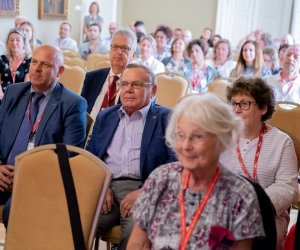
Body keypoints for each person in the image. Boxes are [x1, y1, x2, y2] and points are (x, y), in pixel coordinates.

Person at [127, 92, 265, 249]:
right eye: (180, 135)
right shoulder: (160, 179)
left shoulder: (240, 195)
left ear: (223, 139)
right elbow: (138, 244)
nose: (186, 146)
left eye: (198, 136)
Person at [87, 63, 176, 250]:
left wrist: (146, 191)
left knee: (135, 234)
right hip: (107, 188)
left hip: (143, 188)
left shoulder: (167, 118)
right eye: (124, 84)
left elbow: (174, 164)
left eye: (136, 84)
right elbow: (91, 158)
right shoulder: (106, 116)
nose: (128, 90)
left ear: (153, 90)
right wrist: (101, 188)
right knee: (76, 220)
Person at [0, 45, 87, 226]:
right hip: (4, 173)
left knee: (14, 210)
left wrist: (28, 174)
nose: (37, 69)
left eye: (45, 65)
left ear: (60, 71)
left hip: (39, 180)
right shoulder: (13, 92)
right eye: (34, 62)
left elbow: (69, 155)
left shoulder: (73, 104)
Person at [221, 77, 298, 249]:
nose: (237, 110)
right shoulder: (223, 137)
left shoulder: (281, 142)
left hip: (266, 217)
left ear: (263, 108)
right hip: (224, 211)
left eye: (244, 104)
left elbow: (287, 187)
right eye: (234, 104)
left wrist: (253, 205)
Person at [81, 29, 136, 120]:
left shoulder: (135, 85)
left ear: (133, 55)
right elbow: (80, 111)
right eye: (115, 47)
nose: (119, 52)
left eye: (125, 48)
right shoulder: (91, 78)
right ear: (110, 50)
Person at [0, 28, 31, 99]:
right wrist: (1, 94)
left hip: (21, 97)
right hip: (2, 96)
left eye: (18, 40)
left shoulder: (29, 61)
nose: (14, 42)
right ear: (7, 42)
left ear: (24, 43)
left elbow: (27, 85)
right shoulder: (2, 59)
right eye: (11, 40)